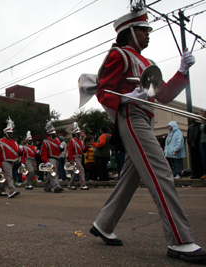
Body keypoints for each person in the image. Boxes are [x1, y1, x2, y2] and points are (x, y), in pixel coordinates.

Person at [88, 8, 206, 263]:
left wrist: (182, 71)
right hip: (131, 117)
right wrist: (128, 97)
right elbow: (103, 89)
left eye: (148, 30)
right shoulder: (118, 54)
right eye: (143, 30)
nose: (148, 34)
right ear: (128, 31)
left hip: (146, 118)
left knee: (131, 178)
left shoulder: (148, 63)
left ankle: (103, 223)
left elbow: (161, 96)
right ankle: (180, 240)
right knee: (160, 171)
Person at [0, 117, 21, 198]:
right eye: (9, 133)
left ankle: (2, 190)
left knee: (6, 176)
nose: (11, 135)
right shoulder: (0, 142)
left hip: (12, 161)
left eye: (11, 133)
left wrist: (21, 150)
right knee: (9, 176)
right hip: (5, 161)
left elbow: (17, 152)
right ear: (6, 133)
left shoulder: (14, 142)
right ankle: (12, 190)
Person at [41, 120, 64, 193]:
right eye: (53, 133)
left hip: (57, 158)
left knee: (51, 173)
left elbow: (60, 150)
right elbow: (43, 153)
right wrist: (46, 161)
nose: (55, 134)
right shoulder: (46, 141)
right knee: (53, 172)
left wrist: (61, 147)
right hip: (50, 159)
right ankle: (57, 187)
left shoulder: (57, 140)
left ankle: (47, 187)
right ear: (50, 134)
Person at [67, 123, 89, 190]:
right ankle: (83, 185)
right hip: (75, 157)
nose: (80, 134)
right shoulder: (72, 141)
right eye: (78, 133)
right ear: (75, 134)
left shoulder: (81, 142)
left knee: (75, 172)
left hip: (80, 157)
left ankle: (70, 184)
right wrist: (70, 159)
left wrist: (87, 146)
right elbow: (70, 150)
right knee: (81, 169)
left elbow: (83, 150)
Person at [199, 110, 206, 179]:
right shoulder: (201, 123)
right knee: (204, 159)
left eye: (203, 114)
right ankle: (205, 173)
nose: (202, 115)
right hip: (202, 141)